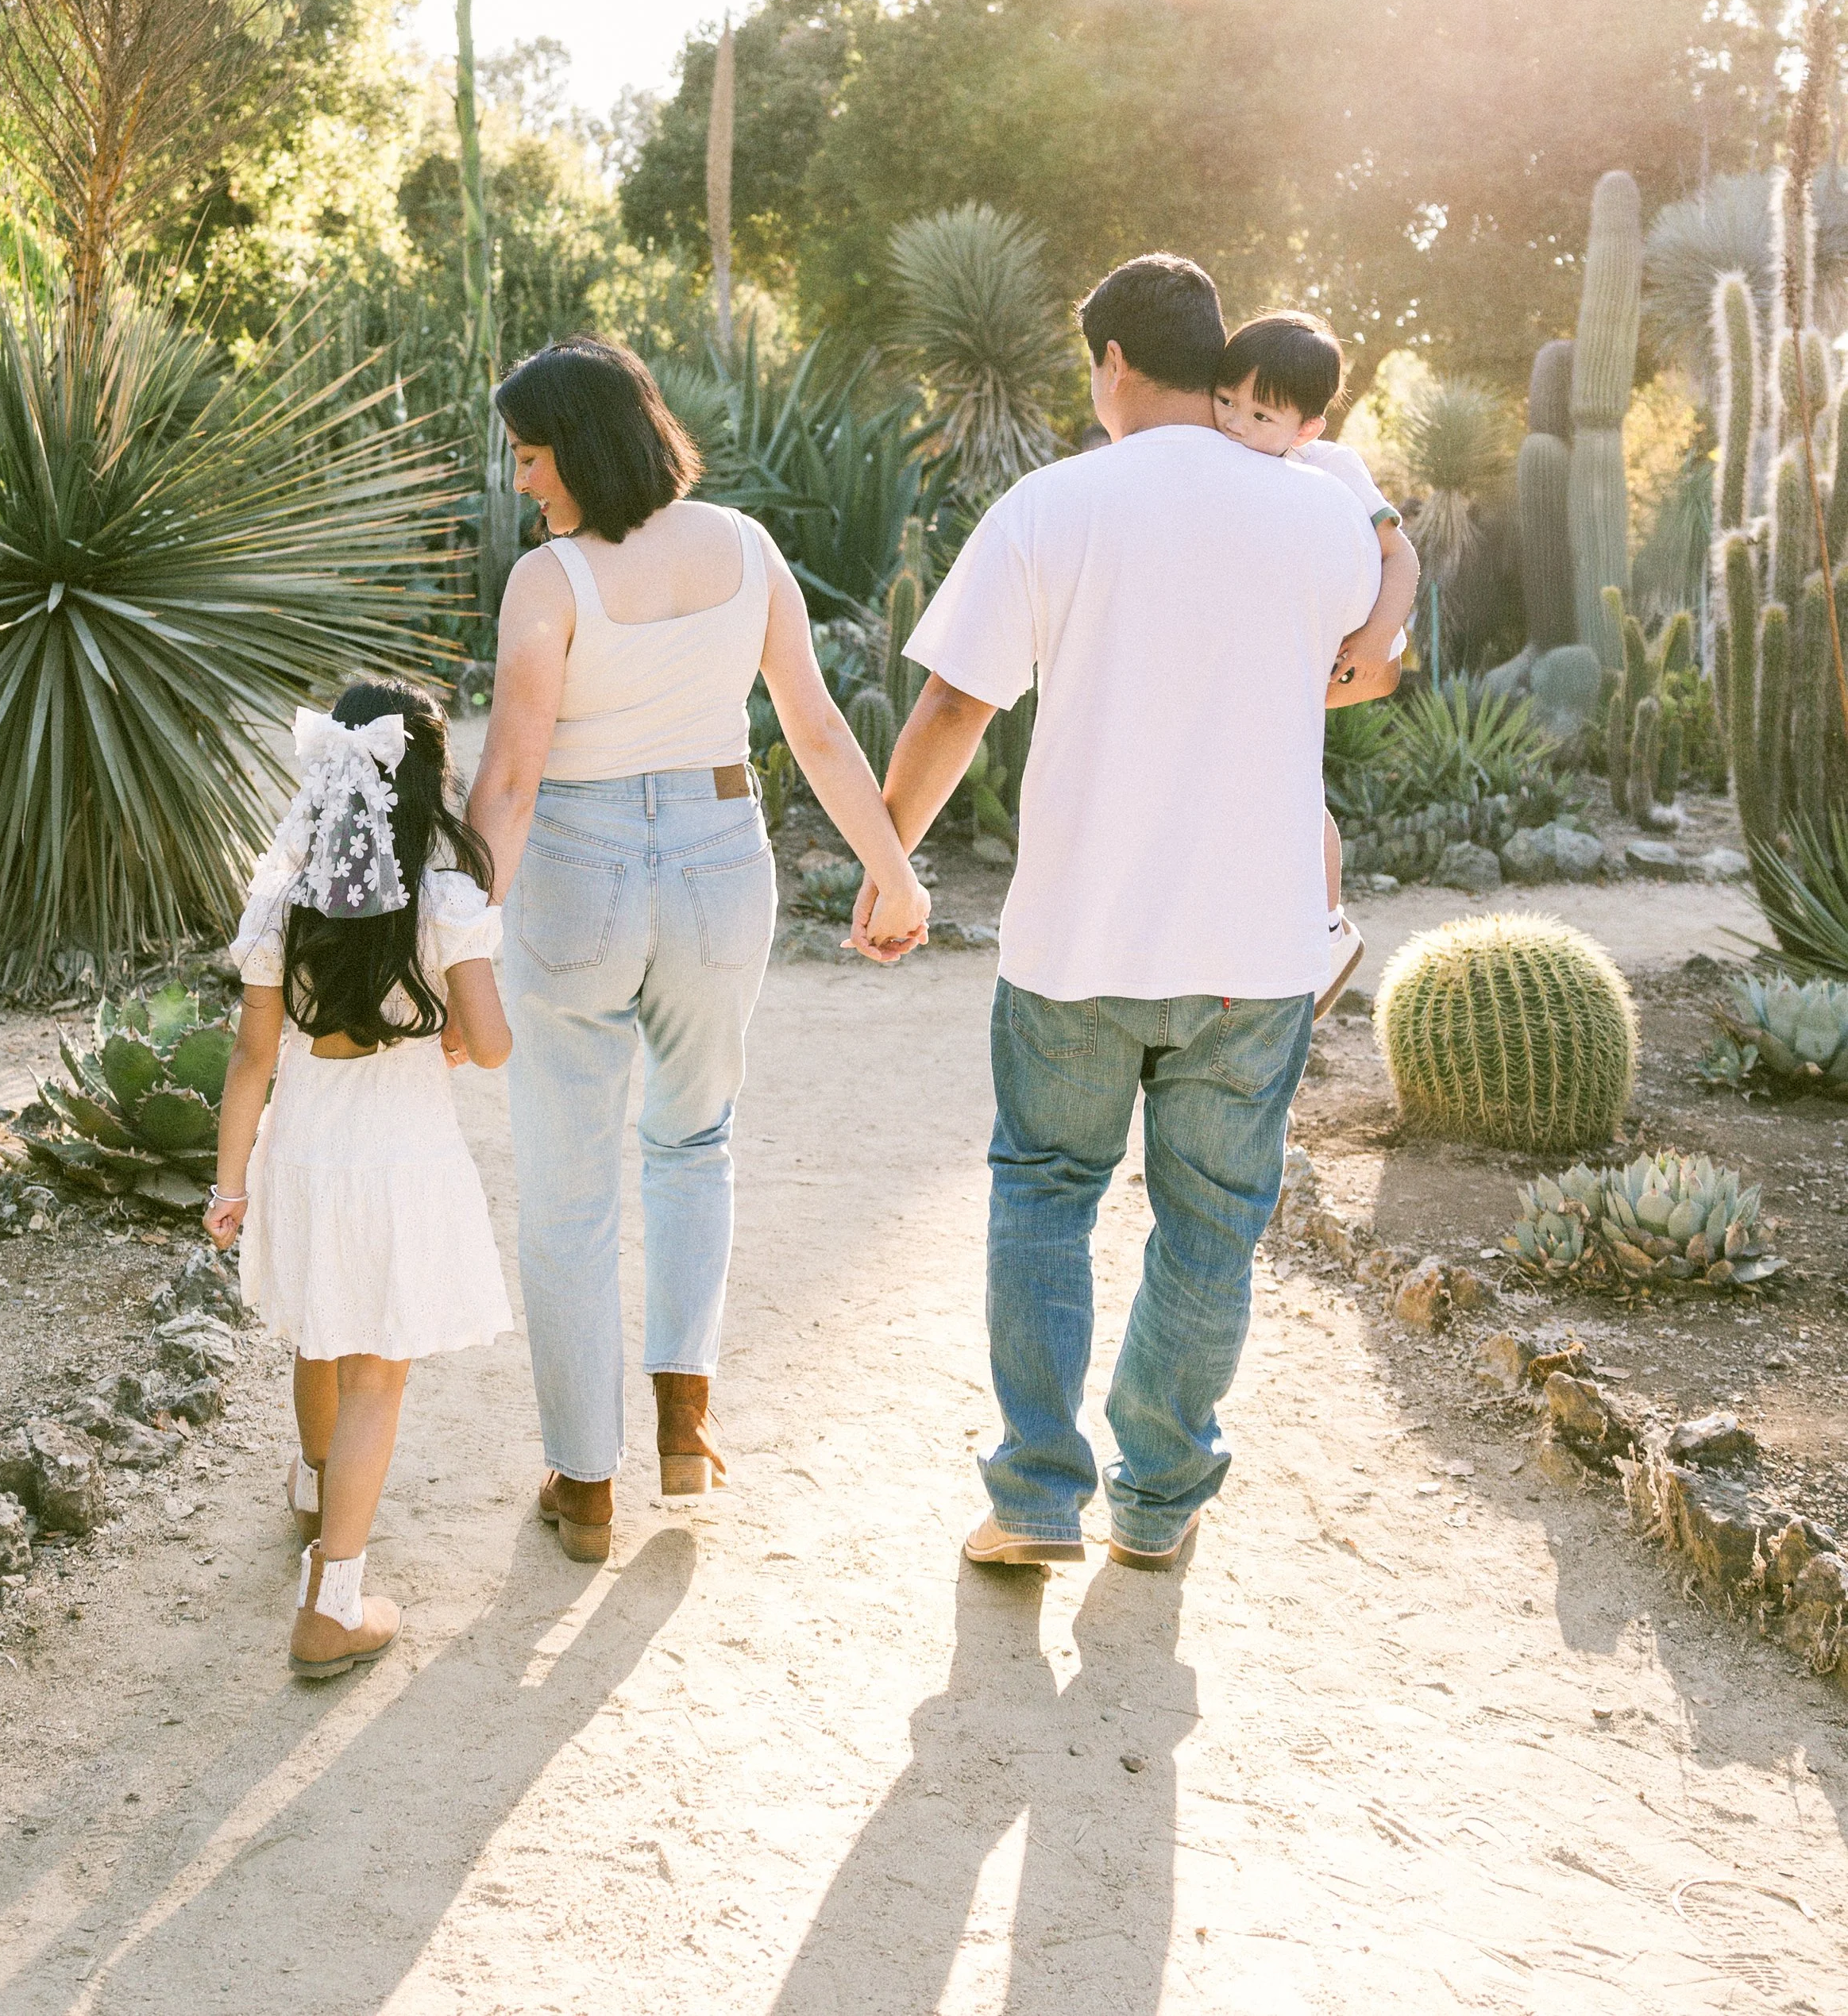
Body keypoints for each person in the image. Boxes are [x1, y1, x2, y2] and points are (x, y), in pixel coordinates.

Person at [852, 255, 1383, 1571]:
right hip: (1253, 956)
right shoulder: (1315, 517)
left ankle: (1036, 1496)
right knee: (1211, 1223)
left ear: (1108, 363)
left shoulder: (1056, 505)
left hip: (1079, 944)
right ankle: (1160, 1499)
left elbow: (952, 708)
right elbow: (1368, 668)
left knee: (1046, 1193)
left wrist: (887, 864)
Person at [466, 336, 931, 1563]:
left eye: (530, 453)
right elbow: (820, 730)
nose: (523, 480)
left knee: (567, 1187)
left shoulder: (549, 580)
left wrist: (452, 930)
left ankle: (586, 1479)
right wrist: (893, 871)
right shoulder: (745, 546)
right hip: (724, 860)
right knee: (694, 1142)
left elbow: (509, 779)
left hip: (578, 861)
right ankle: (686, 1426)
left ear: (583, 443)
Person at [207, 681, 515, 1679]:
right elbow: (495, 1044)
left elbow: (251, 1060)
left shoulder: (281, 900)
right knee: (377, 1369)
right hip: (398, 1166)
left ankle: (313, 1486)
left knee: (318, 1329)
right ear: (424, 783)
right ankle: (334, 1603)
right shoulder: (443, 898)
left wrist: (229, 1185)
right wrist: (461, 1032)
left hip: (300, 1157)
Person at [1212, 309, 1421, 1016]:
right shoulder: (1218, 456)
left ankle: (1326, 928)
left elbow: (1402, 556)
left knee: (1300, 799)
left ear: (1307, 428)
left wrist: (1374, 641)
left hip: (1330, 657)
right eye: (1226, 400)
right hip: (1258, 665)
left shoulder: (1333, 469)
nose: (1236, 422)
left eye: (1260, 414)